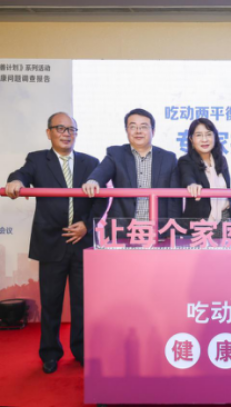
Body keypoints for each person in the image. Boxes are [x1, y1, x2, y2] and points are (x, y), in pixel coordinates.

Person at [5, 112, 107, 373]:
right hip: (51, 242)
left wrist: (86, 224)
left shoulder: (90, 162)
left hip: (82, 242)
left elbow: (102, 198)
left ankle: (81, 350)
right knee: (51, 303)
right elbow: (22, 174)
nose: (66, 133)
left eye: (71, 129)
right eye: (60, 128)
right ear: (48, 132)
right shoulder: (38, 159)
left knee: (82, 303)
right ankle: (50, 353)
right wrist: (15, 181)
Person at [82, 108, 180, 231]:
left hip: (158, 230)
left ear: (153, 131)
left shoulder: (168, 158)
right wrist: (93, 181)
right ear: (126, 130)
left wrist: (173, 230)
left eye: (144, 127)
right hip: (122, 229)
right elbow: (102, 170)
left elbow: (174, 199)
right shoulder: (116, 154)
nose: (138, 131)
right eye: (133, 127)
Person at [178, 118, 231, 238]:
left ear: (215, 137)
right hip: (199, 221)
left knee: (224, 250)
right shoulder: (186, 161)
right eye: (199, 135)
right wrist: (192, 185)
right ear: (191, 139)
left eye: (208, 134)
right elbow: (187, 177)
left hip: (224, 218)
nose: (204, 139)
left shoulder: (221, 160)